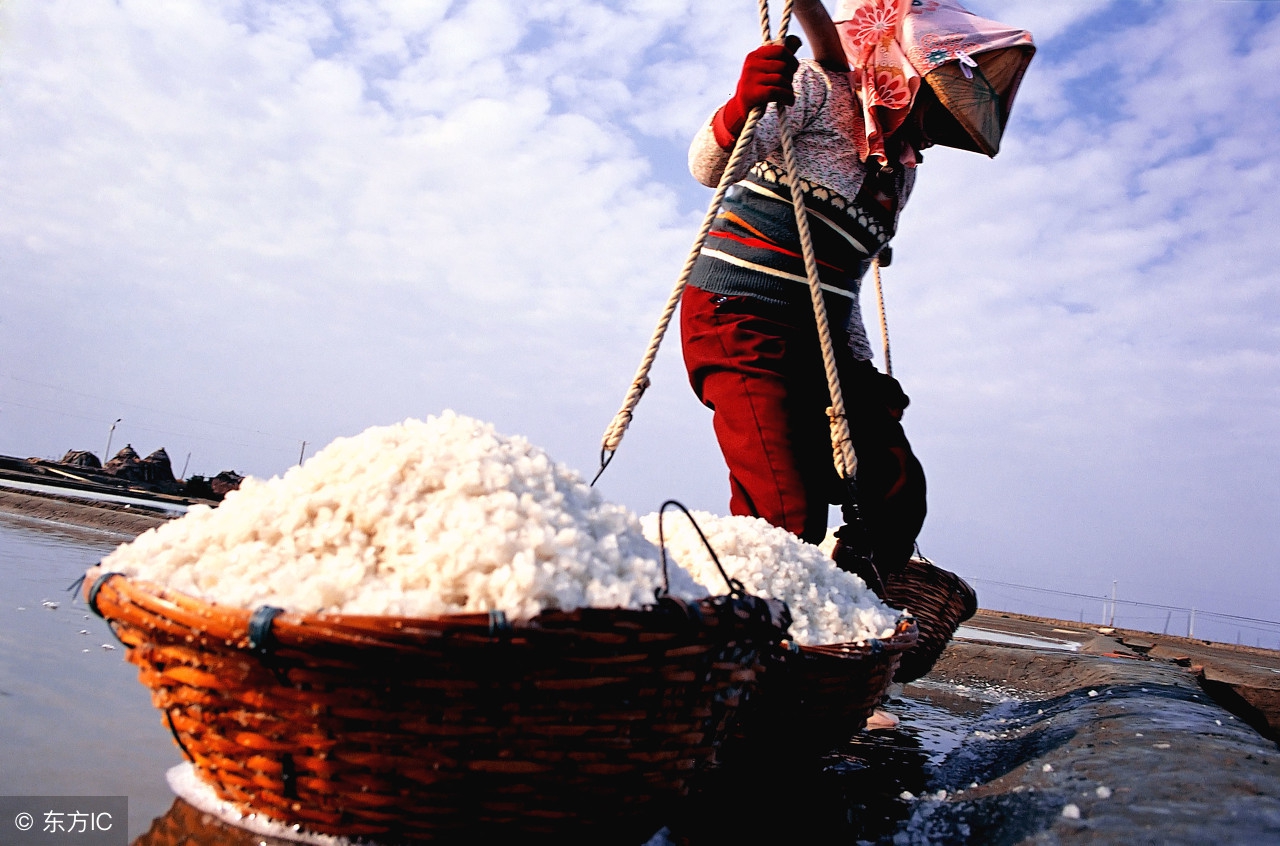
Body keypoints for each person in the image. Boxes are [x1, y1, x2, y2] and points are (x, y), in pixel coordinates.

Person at [681, 0, 926, 584]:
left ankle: (845, 609)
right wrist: (744, 102)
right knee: (785, 510)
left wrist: (864, 373)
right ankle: (743, 626)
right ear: (896, 76)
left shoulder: (903, 170)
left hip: (823, 337)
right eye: (936, 94)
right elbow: (708, 167)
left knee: (896, 491)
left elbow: (847, 283)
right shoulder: (820, 88)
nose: (942, 120)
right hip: (740, 315)